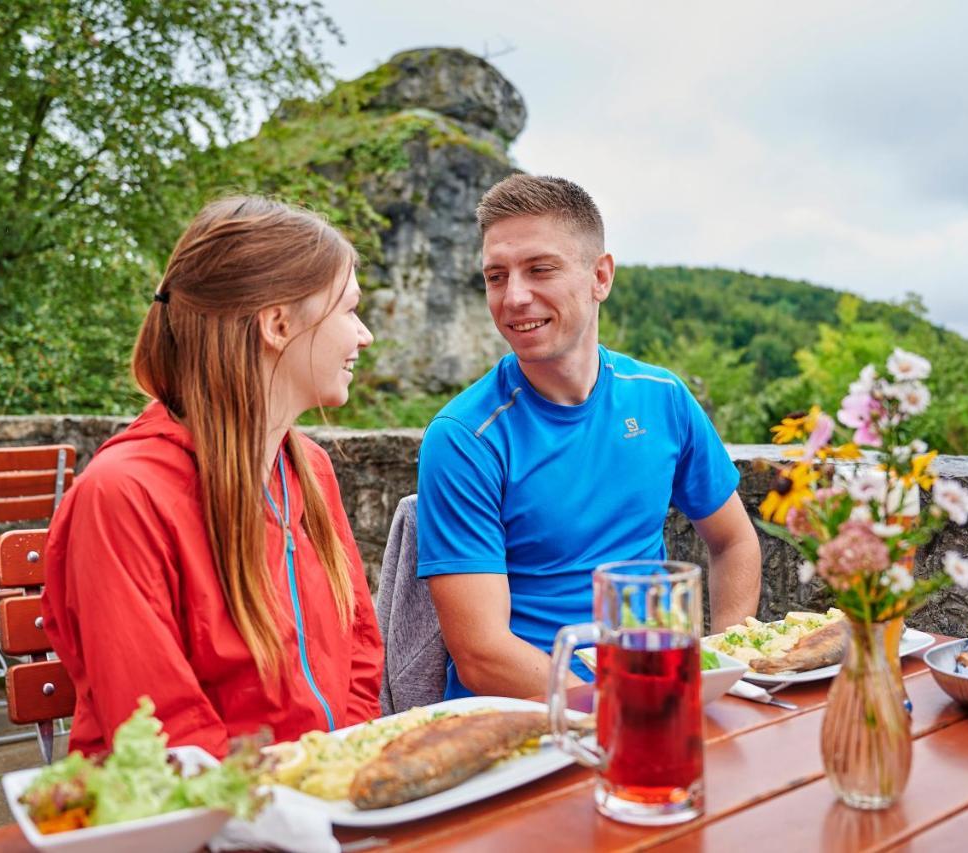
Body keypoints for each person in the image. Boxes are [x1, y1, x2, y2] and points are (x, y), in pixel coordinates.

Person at [43, 197, 384, 758]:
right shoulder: (123, 495)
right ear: (277, 324)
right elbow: (163, 732)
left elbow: (361, 651)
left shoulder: (310, 471)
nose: (363, 335)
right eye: (348, 310)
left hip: (321, 804)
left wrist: (341, 771)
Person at [416, 175, 761, 699]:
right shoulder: (465, 436)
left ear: (600, 276)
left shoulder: (661, 397)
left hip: (657, 692)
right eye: (495, 276)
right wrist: (625, 704)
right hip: (526, 719)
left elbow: (733, 541)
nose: (514, 297)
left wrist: (723, 668)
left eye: (540, 270)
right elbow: (482, 655)